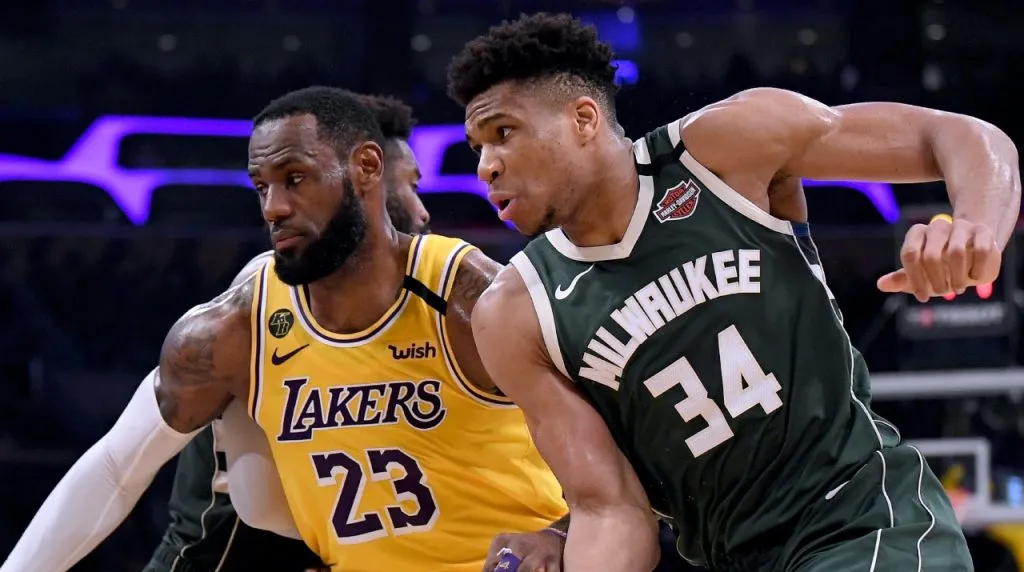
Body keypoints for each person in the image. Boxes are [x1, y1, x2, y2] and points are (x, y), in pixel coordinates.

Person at [447, 12, 1020, 572]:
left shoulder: (720, 150)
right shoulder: (514, 314)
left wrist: (976, 230)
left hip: (864, 518)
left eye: (503, 134)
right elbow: (610, 511)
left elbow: (960, 134)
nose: (486, 167)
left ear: (584, 118)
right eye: (476, 147)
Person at [141, 94, 433, 572]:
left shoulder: (436, 299)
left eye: (293, 180)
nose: (422, 212)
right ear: (365, 172)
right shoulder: (252, 307)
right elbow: (115, 468)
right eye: (412, 187)